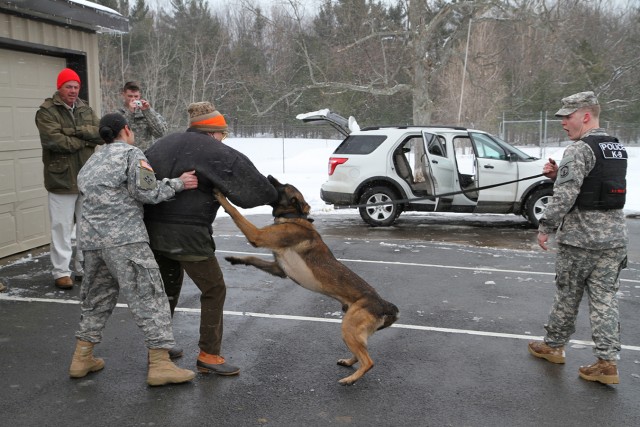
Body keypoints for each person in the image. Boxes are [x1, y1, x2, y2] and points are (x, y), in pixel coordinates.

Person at [144, 102, 278, 375]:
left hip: (153, 229)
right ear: (213, 131)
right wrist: (275, 195)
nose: (222, 140)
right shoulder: (216, 152)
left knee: (166, 290)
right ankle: (209, 355)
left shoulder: (160, 145)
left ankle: (160, 349)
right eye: (222, 134)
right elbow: (253, 191)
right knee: (214, 288)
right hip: (189, 233)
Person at [69, 112, 198, 386]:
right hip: (126, 241)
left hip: (91, 243)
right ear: (126, 130)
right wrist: (179, 183)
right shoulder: (131, 153)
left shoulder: (92, 160)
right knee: (150, 297)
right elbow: (147, 192)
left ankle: (82, 357)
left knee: (95, 300)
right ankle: (161, 364)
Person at [528, 91, 628, 385]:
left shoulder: (579, 149)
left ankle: (553, 346)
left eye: (567, 117)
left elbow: (566, 195)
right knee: (605, 300)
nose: (563, 122)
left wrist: (546, 226)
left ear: (585, 116)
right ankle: (607, 363)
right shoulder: (615, 147)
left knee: (567, 295)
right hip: (613, 239)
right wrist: (559, 174)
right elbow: (595, 183)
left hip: (581, 239)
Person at [35, 68, 103, 289]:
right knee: (61, 228)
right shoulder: (46, 111)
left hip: (85, 176)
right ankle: (61, 272)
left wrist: (75, 132)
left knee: (87, 227)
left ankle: (83, 267)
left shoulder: (85, 108)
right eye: (68, 86)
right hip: (61, 179)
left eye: (76, 86)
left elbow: (101, 133)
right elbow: (53, 141)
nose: (73, 91)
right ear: (60, 87)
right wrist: (84, 140)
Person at [117, 81, 168, 152]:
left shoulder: (146, 112)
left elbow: (160, 133)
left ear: (140, 95)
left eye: (136, 96)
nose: (133, 99)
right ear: (124, 95)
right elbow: (118, 134)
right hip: (124, 155)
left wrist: (147, 111)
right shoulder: (118, 114)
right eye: (130, 96)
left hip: (145, 155)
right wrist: (130, 113)